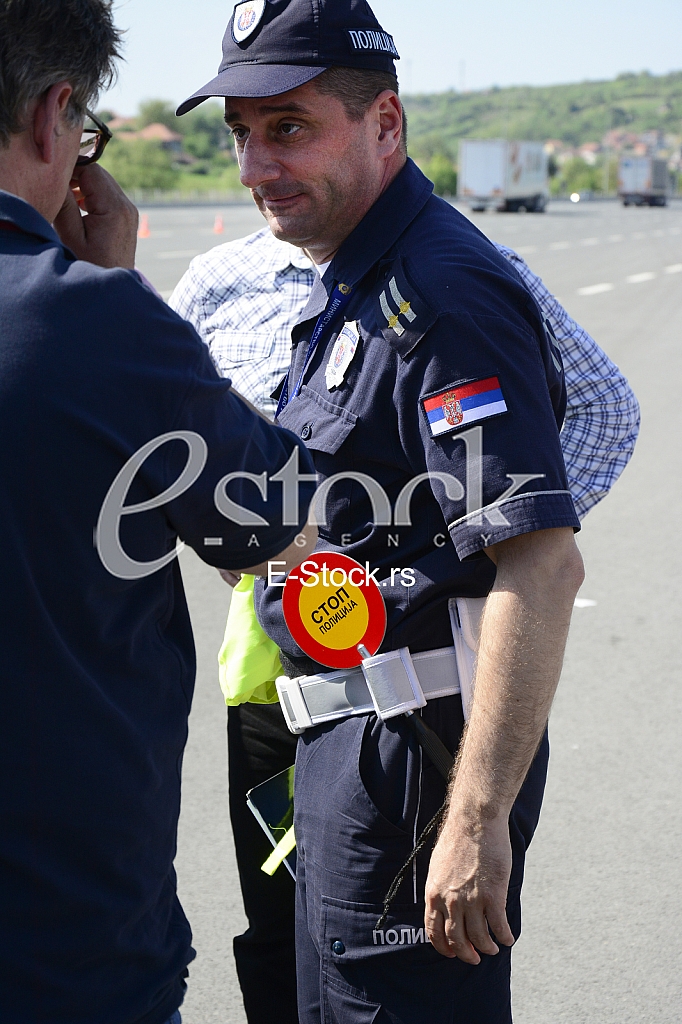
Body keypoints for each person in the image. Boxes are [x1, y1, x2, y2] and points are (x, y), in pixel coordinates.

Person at [177, 1, 634, 1020]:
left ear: (384, 122)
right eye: (242, 133)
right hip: (348, 742)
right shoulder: (353, 278)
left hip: (417, 764)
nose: (255, 166)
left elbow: (540, 565)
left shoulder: (442, 292)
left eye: (288, 127)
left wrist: (475, 820)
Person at [0, 3, 318, 1024]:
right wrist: (113, 291)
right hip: (59, 937)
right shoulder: (91, 317)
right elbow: (275, 518)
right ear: (52, 115)